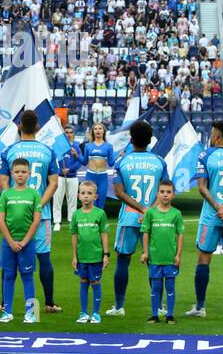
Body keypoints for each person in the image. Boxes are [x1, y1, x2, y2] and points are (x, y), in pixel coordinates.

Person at [0, 110, 60, 313]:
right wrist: (38, 204)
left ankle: (4, 303)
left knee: (9, 258)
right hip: (41, 216)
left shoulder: (9, 151)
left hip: (14, 215)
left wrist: (13, 201)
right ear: (38, 127)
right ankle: (49, 303)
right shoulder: (48, 151)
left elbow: (3, 181)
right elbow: (54, 182)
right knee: (43, 258)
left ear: (19, 127)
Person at [107, 118, 167, 315]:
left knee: (123, 260)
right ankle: (158, 306)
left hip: (129, 218)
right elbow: (165, 191)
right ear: (150, 140)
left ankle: (118, 306)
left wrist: (140, 208)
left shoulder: (122, 161)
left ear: (131, 139)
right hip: (155, 218)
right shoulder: (159, 162)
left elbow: (119, 192)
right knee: (155, 262)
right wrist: (149, 210)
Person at [187, 119, 223, 318]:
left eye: (212, 132)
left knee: (204, 258)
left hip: (211, 215)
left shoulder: (206, 155)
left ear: (217, 135)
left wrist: (217, 207)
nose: (211, 136)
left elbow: (202, 187)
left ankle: (200, 306)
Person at [0, 157, 42, 324]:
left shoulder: (34, 194)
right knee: (8, 276)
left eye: (23, 172)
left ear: (29, 174)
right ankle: (7, 311)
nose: (20, 175)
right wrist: (10, 242)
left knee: (27, 276)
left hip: (27, 244)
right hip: (8, 244)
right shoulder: (6, 194)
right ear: (12, 174)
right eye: (17, 172)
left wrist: (24, 241)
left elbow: (36, 220)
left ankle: (31, 313)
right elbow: (1, 220)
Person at [141, 178, 183, 324]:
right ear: (157, 194)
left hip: (170, 259)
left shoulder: (176, 214)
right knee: (156, 288)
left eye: (168, 192)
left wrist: (178, 255)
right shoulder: (150, 213)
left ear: (173, 195)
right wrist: (145, 252)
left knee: (170, 287)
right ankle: (155, 315)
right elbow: (145, 233)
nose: (165, 195)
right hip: (155, 258)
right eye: (162, 192)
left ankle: (170, 315)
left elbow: (180, 235)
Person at [69, 181, 109, 324]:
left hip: (96, 256)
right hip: (82, 257)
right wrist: (74, 256)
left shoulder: (100, 214)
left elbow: (104, 234)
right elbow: (74, 235)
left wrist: (106, 254)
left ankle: (96, 313)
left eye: (89, 193)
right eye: (83, 193)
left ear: (95, 197)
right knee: (83, 282)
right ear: (79, 196)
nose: (86, 196)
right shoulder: (76, 215)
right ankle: (84, 312)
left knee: (95, 282)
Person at [77, 122, 116, 221]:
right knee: (90, 202)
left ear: (103, 131)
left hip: (103, 177)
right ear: (93, 132)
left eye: (100, 129)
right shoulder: (88, 146)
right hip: (90, 177)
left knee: (101, 202)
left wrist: (119, 156)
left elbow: (111, 163)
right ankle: (89, 223)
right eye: (95, 129)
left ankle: (99, 223)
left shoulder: (109, 146)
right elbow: (84, 162)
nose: (98, 130)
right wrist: (76, 156)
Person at [55, 123, 80, 230]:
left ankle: (71, 221)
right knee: (57, 199)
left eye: (71, 133)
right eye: (67, 133)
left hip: (73, 177)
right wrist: (61, 170)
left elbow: (79, 162)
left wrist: (70, 168)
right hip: (60, 177)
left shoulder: (76, 146)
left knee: (72, 201)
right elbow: (55, 161)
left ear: (74, 134)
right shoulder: (58, 147)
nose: (69, 134)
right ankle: (56, 222)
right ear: (63, 134)